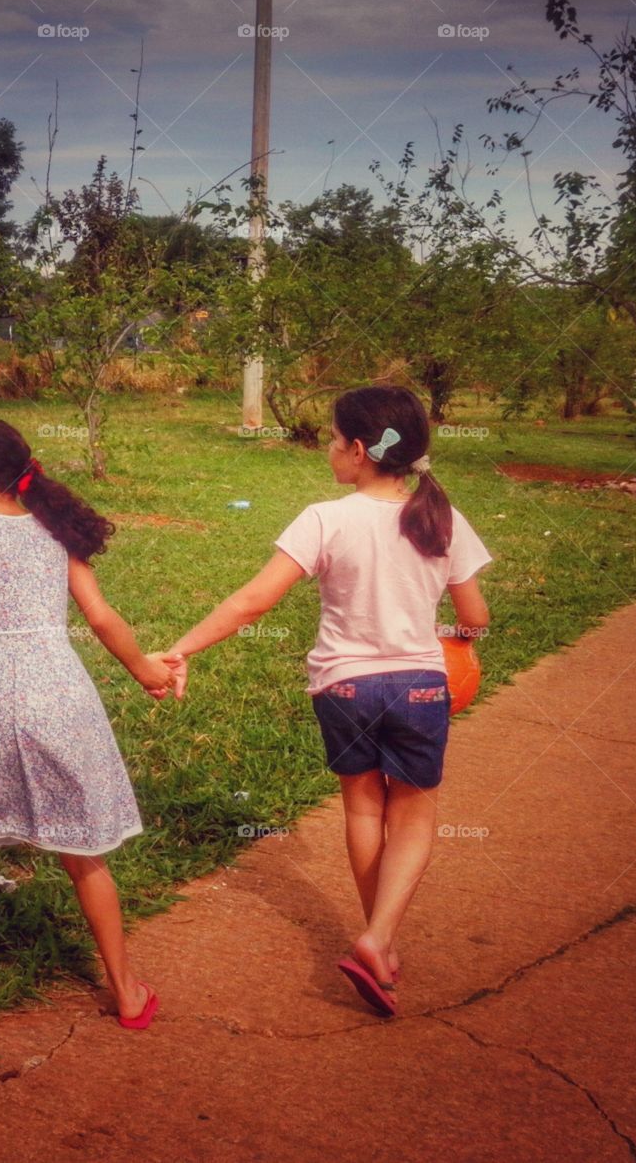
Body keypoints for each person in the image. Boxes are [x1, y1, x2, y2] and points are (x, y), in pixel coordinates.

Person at [164, 386, 492, 1016]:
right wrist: (452, 636)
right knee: (415, 817)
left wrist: (183, 648)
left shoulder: (324, 517)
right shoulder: (441, 517)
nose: (330, 451)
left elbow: (253, 601)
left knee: (365, 812)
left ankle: (378, 942)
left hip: (342, 689)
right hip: (422, 685)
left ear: (361, 451)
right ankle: (378, 939)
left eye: (334, 440)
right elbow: (474, 616)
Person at [0, 416, 177, 1030]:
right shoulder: (53, 530)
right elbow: (99, 616)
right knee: (82, 848)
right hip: (68, 696)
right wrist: (144, 669)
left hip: (6, 700)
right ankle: (126, 990)